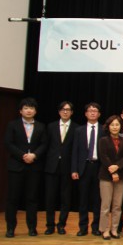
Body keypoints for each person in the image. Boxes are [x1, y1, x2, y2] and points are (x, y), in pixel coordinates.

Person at [5, 97, 47, 238]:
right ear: (21, 111)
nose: (29, 110)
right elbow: (9, 143)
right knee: (13, 199)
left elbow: (44, 144)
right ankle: (10, 228)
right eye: (26, 108)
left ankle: (32, 228)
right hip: (16, 166)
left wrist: (34, 155)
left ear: (35, 111)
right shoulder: (12, 125)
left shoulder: (41, 126)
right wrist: (23, 155)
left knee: (32, 198)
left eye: (31, 108)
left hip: (34, 167)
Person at [71, 102, 104, 237]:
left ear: (99, 114)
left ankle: (96, 227)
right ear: (85, 114)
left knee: (97, 200)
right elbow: (75, 151)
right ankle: (83, 227)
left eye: (95, 111)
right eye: (90, 111)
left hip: (99, 167)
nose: (92, 113)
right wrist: (74, 169)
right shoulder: (79, 130)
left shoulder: (104, 129)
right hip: (83, 167)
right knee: (83, 200)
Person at [44, 101, 76, 235]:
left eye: (68, 110)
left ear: (72, 112)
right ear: (59, 112)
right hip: (51, 167)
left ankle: (61, 225)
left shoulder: (76, 128)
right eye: (63, 109)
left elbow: (76, 150)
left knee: (65, 198)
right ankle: (50, 225)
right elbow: (46, 146)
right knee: (50, 198)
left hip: (67, 168)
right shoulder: (50, 126)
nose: (65, 112)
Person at [98, 115, 123, 240]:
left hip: (121, 175)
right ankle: (104, 229)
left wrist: (117, 167)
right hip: (106, 175)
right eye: (112, 125)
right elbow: (103, 156)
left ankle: (114, 229)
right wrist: (112, 170)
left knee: (117, 205)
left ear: (120, 127)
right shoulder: (103, 140)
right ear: (108, 127)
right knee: (105, 205)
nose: (115, 127)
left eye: (117, 125)